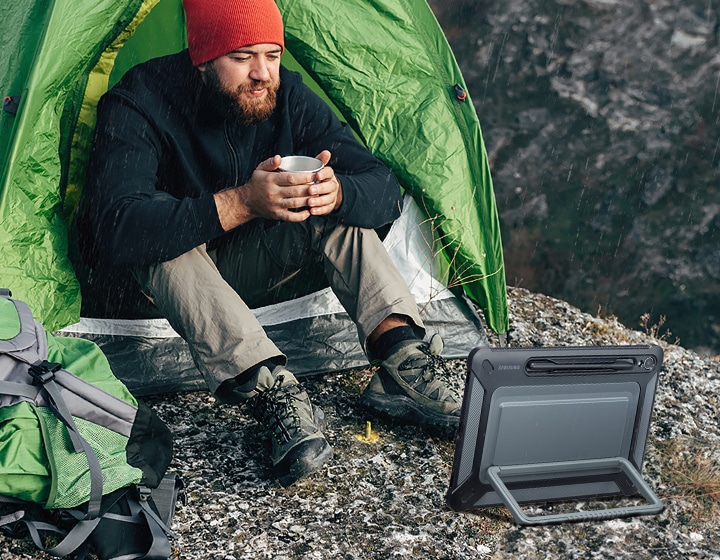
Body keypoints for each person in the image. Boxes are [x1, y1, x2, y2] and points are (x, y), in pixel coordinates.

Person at [73, 0, 461, 487]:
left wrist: (335, 191)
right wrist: (242, 203)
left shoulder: (288, 96)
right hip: (163, 289)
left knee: (332, 207)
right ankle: (270, 390)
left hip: (249, 271)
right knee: (161, 246)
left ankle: (399, 359)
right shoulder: (139, 101)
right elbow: (117, 226)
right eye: (242, 57)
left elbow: (382, 188)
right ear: (203, 57)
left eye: (272, 55)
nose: (262, 74)